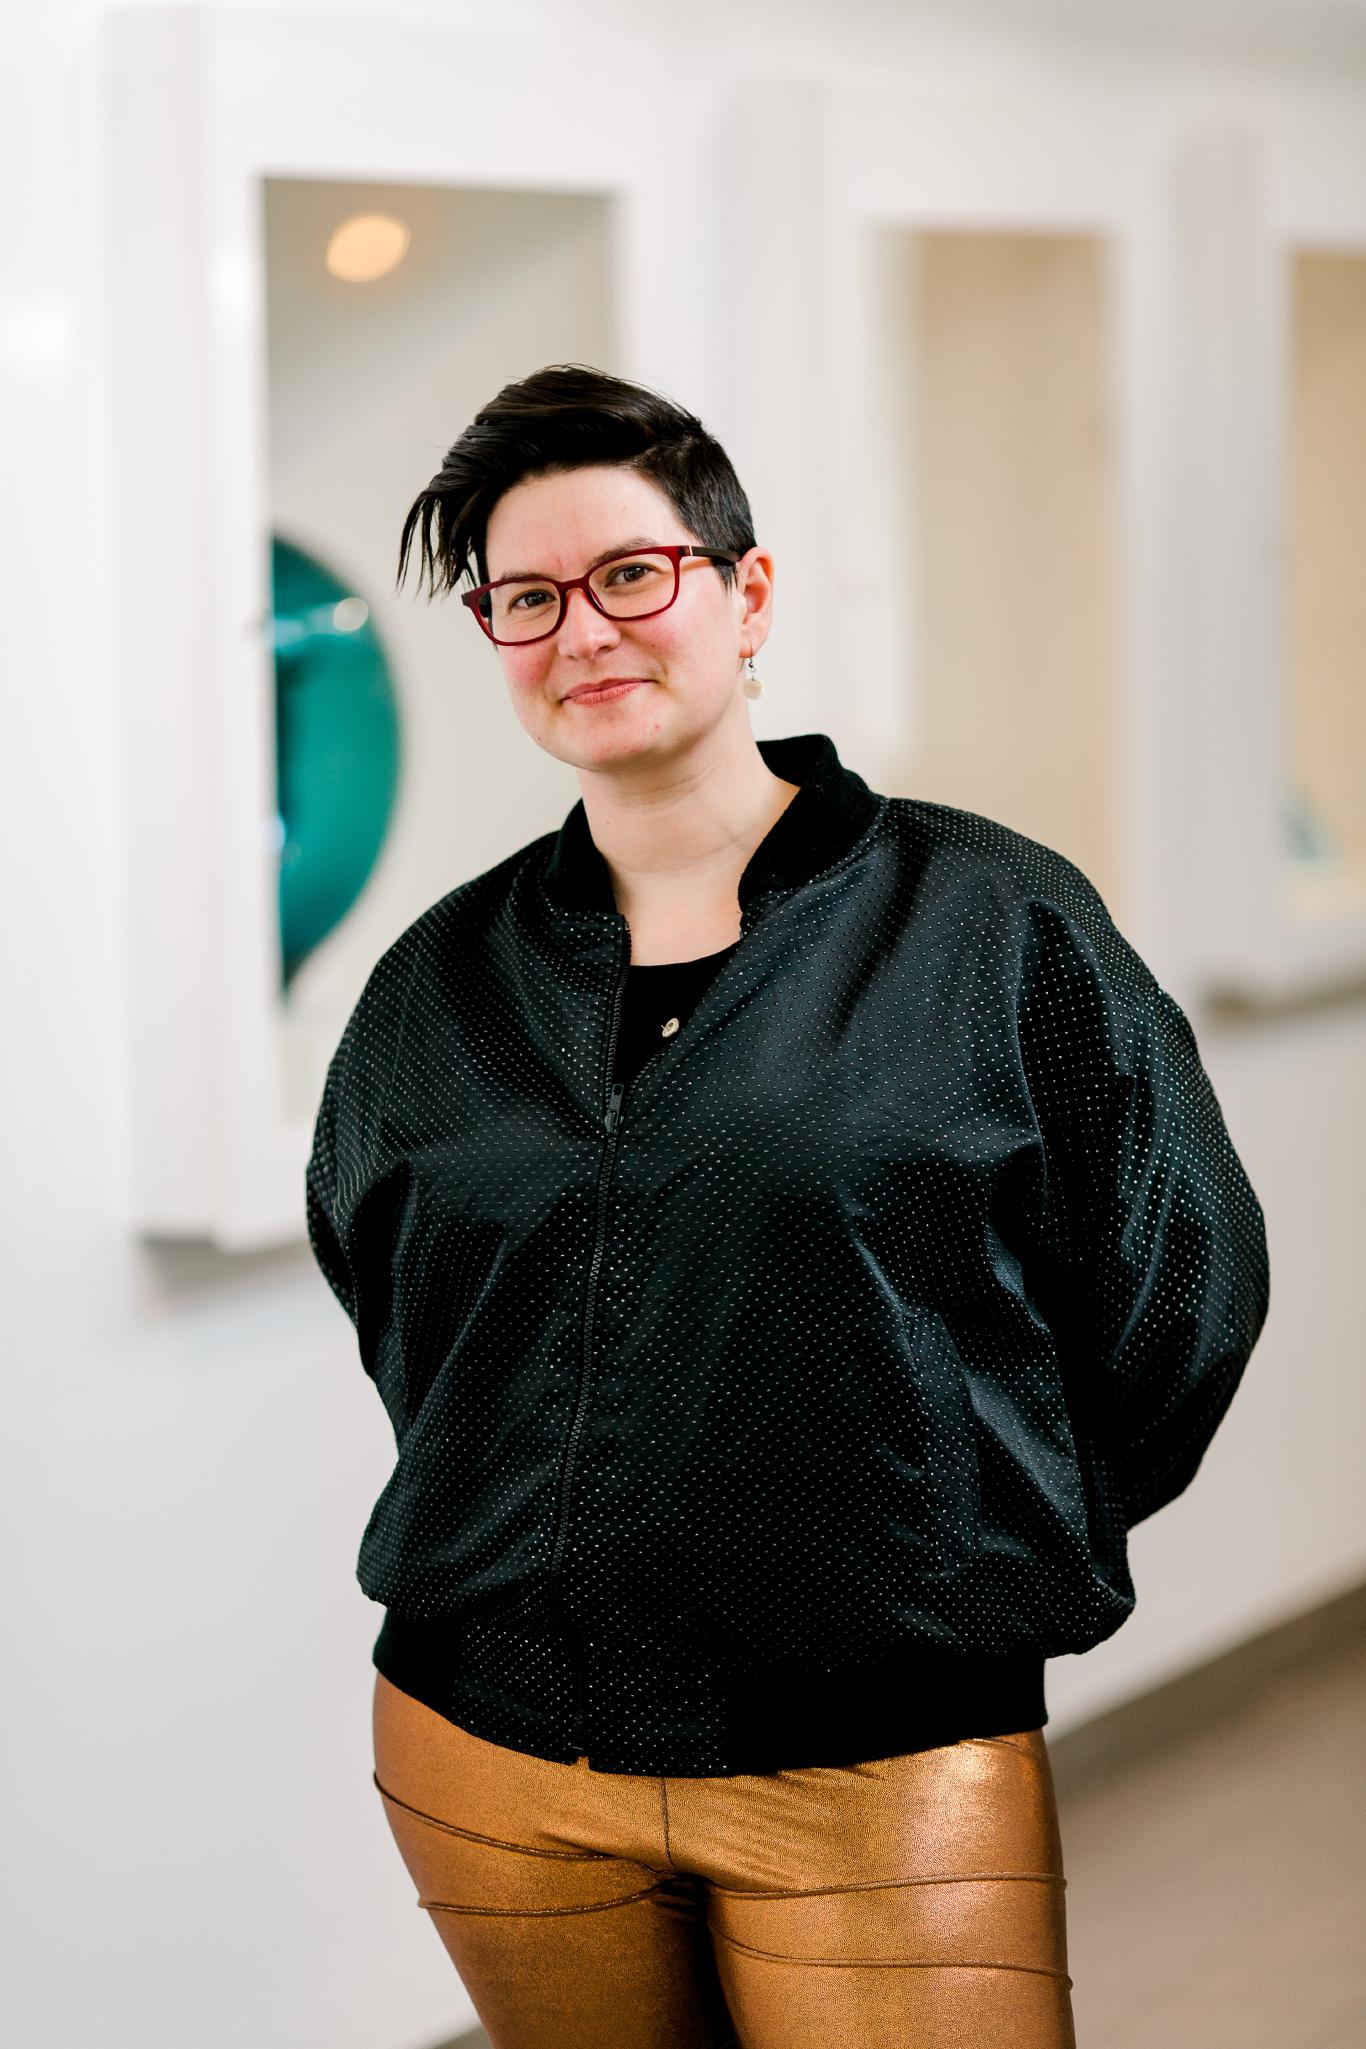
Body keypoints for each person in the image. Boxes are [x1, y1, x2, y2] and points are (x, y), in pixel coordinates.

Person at [305, 362, 1271, 2048]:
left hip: (877, 1752)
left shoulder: (988, 924)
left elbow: (1175, 1289)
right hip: (491, 1750)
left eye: (630, 574)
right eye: (526, 598)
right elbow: (406, 1308)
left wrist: (952, 1544)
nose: (581, 631)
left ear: (746, 593)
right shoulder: (436, 982)